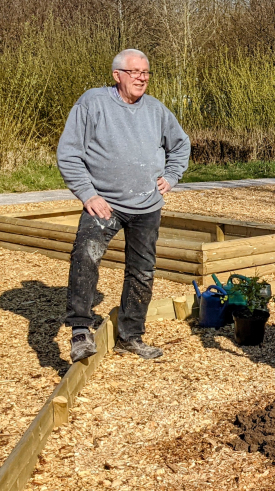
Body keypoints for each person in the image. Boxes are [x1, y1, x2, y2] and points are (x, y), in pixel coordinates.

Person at [58, 49, 191, 363]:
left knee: (142, 272)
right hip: (104, 203)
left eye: (146, 72)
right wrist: (88, 194)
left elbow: (181, 144)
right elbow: (69, 153)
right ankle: (80, 330)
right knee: (86, 255)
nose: (142, 78)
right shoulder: (93, 103)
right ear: (117, 74)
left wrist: (171, 175)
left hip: (147, 205)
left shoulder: (157, 110)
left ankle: (130, 336)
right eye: (134, 72)